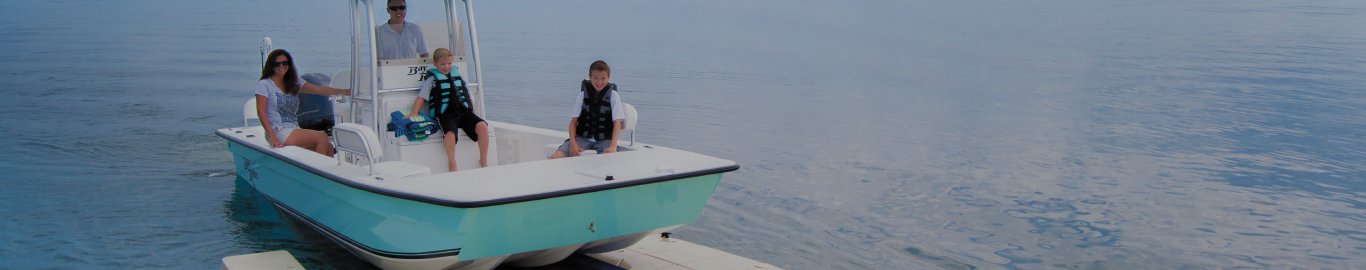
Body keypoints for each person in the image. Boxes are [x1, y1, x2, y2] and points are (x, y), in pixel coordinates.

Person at [404, 48, 489, 171]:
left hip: (464, 112)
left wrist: (474, 112)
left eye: (449, 63)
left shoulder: (459, 76)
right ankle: (452, 163)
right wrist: (414, 112)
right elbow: (421, 97)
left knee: (482, 126)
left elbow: (468, 96)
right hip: (445, 114)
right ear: (435, 64)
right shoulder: (431, 80)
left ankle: (483, 160)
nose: (446, 67)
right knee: (450, 133)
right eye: (442, 64)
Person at [255, 49, 351, 156]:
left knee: (329, 147)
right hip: (277, 131)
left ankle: (323, 170)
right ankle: (316, 171)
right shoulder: (264, 84)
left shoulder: (294, 82)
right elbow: (261, 112)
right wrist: (272, 136)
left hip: (292, 129)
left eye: (284, 63)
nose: (281, 66)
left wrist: (342, 91)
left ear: (289, 64)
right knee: (322, 137)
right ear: (271, 65)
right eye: (277, 63)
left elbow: (318, 89)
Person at [551, 60, 624, 159]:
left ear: (608, 77)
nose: (599, 82)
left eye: (603, 78)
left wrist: (613, 146)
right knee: (556, 157)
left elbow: (617, 122)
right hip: (582, 138)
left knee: (610, 160)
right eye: (595, 78)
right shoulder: (582, 96)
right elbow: (573, 123)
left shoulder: (613, 96)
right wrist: (573, 143)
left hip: (605, 140)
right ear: (589, 77)